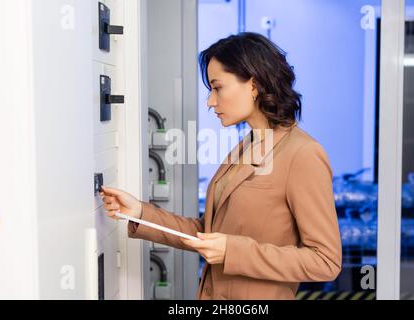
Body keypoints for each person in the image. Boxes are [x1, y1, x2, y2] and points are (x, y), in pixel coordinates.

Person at [100, 32, 342, 300]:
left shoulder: (303, 154)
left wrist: (233, 251)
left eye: (217, 87)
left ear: (254, 84)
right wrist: (139, 213)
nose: (210, 101)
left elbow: (325, 261)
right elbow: (209, 234)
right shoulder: (246, 146)